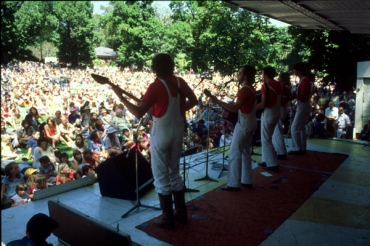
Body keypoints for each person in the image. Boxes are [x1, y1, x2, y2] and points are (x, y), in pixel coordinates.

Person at [111, 53, 198, 229]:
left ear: (155, 67)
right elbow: (194, 100)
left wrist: (121, 98)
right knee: (174, 172)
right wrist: (181, 110)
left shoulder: (156, 85)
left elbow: (137, 112)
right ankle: (181, 214)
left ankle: (167, 218)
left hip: (162, 131)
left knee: (160, 175)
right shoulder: (180, 81)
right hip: (178, 130)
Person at [210, 65, 257, 190]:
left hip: (244, 123)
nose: (238, 75)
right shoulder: (251, 89)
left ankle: (233, 183)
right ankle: (246, 180)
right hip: (250, 121)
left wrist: (218, 102)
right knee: (246, 152)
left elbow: (234, 108)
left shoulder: (244, 90)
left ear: (245, 75)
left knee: (235, 152)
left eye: (240, 72)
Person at [257, 66, 282, 171]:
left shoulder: (265, 86)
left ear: (266, 74)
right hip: (277, 112)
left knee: (266, 139)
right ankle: (266, 159)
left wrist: (254, 107)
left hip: (268, 113)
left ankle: (272, 163)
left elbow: (263, 104)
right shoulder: (279, 84)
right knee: (267, 138)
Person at [289, 62, 312, 155]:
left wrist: (294, 95)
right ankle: (302, 147)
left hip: (303, 105)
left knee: (294, 127)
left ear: (298, 70)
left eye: (294, 69)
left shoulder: (304, 80)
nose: (293, 71)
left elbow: (302, 94)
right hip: (304, 105)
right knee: (301, 127)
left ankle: (297, 148)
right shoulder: (304, 80)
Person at [272, 72, 293, 160]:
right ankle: (278, 150)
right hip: (282, 109)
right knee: (276, 131)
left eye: (279, 77)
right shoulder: (286, 87)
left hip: (280, 108)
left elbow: (284, 99)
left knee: (277, 131)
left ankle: (281, 152)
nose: (278, 78)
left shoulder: (284, 87)